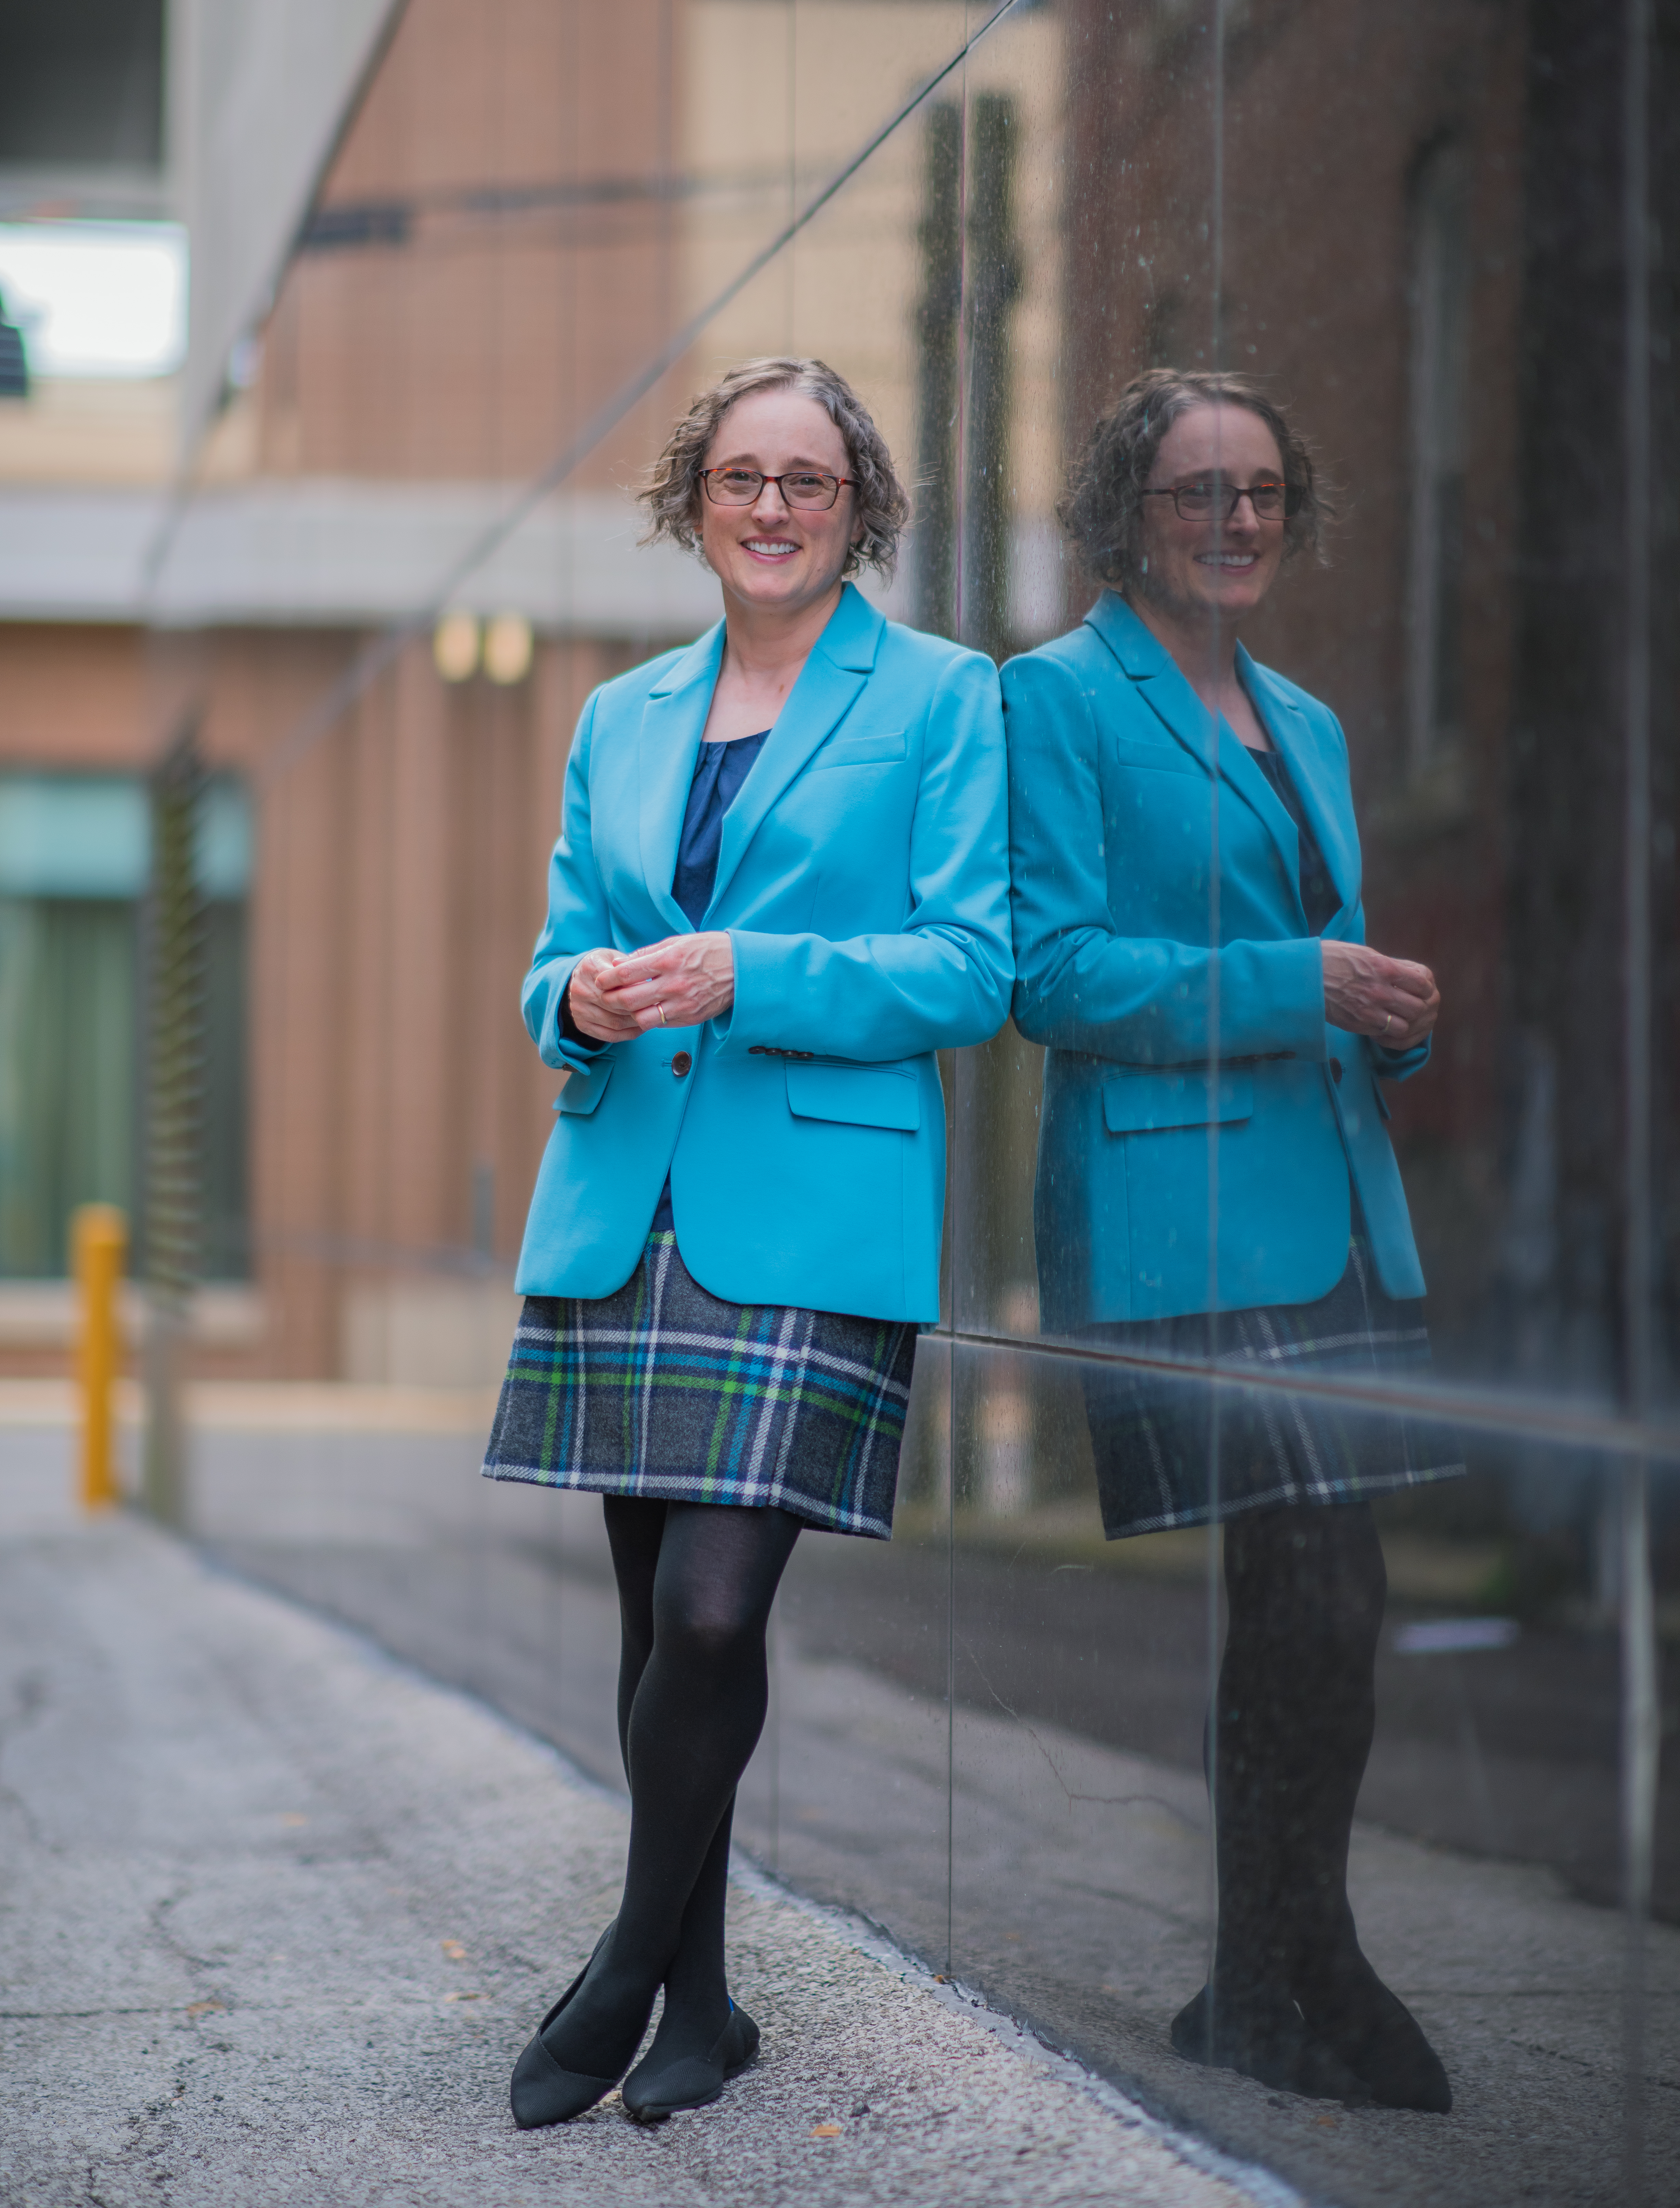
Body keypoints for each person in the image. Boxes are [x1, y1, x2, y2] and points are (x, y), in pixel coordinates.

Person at [482, 356, 1012, 2127]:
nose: (772, 506)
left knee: (714, 1614)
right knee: (656, 1629)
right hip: (631, 1200)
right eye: (740, 476)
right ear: (692, 503)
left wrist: (748, 970)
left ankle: (619, 1969)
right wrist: (585, 994)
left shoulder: (943, 698)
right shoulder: (624, 714)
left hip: (817, 1212)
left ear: (860, 504)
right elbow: (558, 951)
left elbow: (971, 966)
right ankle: (703, 2007)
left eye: (808, 478)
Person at [1003, 368, 1463, 2113]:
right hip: (1176, 1214)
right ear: (1131, 512)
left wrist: (1391, 1018)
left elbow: (1323, 970)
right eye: (1198, 492)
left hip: (1331, 1207)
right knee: (1318, 1587)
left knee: (1312, 1608)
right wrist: (1301, 983)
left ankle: (1262, 1972)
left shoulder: (1313, 722)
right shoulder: (1051, 700)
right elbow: (1053, 977)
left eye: (1262, 490)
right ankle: (1299, 1964)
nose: (1236, 520)